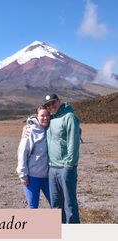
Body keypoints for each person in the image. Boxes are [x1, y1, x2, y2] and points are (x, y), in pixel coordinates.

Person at [42, 93, 81, 223]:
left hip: (65, 168)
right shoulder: (51, 118)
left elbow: (73, 143)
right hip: (52, 168)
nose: (51, 106)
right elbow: (38, 119)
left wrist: (69, 166)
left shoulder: (69, 117)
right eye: (48, 105)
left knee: (69, 204)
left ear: (59, 101)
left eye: (53, 103)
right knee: (56, 204)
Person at [17, 107, 51, 208]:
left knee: (56, 204)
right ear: (37, 116)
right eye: (42, 115)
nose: (45, 118)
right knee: (33, 206)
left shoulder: (50, 128)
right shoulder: (30, 131)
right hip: (32, 177)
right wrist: (23, 175)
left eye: (47, 115)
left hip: (48, 177)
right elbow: (22, 152)